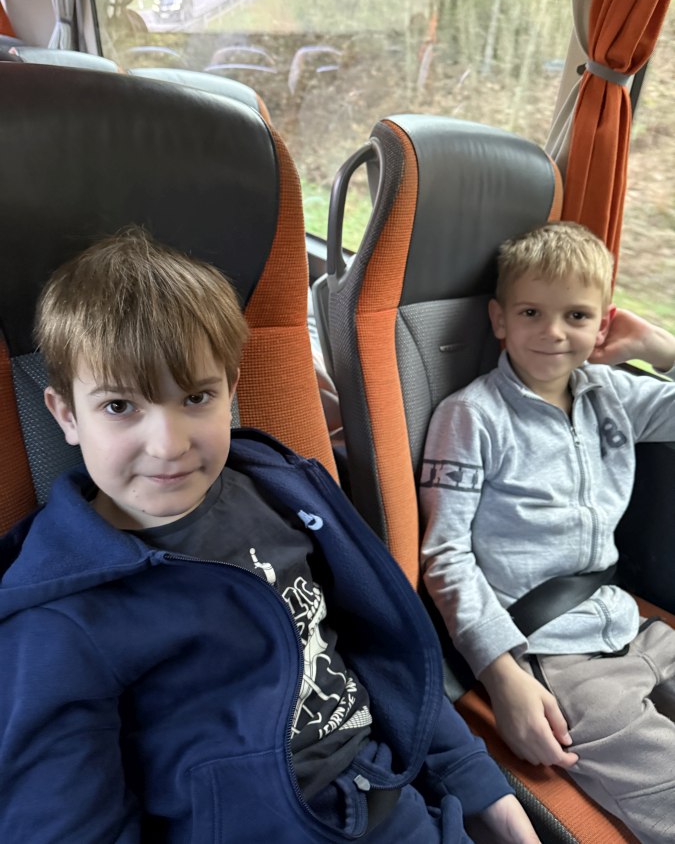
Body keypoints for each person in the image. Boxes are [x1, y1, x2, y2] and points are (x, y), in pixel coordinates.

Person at [0, 228, 539, 844]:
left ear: (230, 392)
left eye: (196, 397)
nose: (168, 446)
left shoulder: (282, 494)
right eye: (120, 407)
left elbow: (377, 646)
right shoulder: (58, 616)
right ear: (66, 414)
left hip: (395, 803)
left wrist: (477, 782)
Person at [420, 221, 675, 843]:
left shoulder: (610, 395)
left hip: (630, 623)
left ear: (602, 325)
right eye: (531, 312)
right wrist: (502, 673)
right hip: (556, 656)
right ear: (499, 320)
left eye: (577, 316)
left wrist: (660, 349)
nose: (554, 333)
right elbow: (445, 554)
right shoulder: (471, 416)